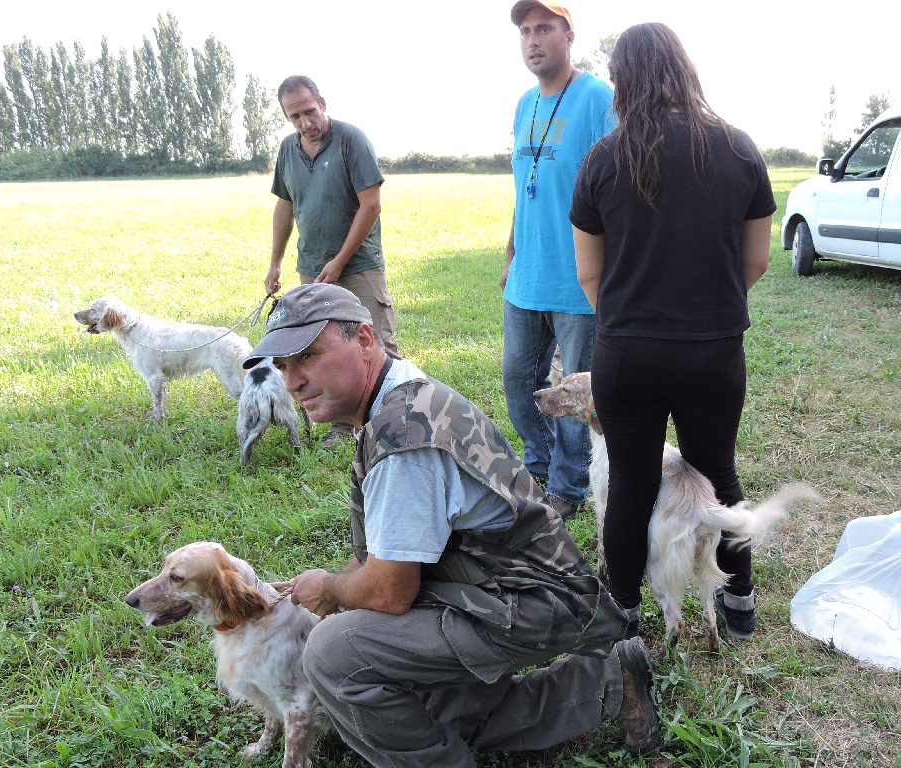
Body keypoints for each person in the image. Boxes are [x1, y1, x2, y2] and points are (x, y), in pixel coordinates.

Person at [242, 282, 662, 767]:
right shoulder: (399, 395)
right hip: (508, 588)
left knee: (334, 654)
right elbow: (378, 555)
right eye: (283, 366)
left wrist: (332, 590)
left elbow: (389, 592)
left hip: (530, 601)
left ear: (362, 339)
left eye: (308, 356)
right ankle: (609, 683)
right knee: (424, 706)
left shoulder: (404, 439)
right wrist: (333, 587)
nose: (292, 382)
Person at [568, 22, 776, 640]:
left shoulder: (602, 159)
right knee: (718, 470)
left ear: (622, 80)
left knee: (632, 481)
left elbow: (589, 274)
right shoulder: (739, 149)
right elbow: (757, 261)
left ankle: (625, 613)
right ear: (686, 69)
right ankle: (739, 603)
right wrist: (706, 308)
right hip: (713, 352)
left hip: (627, 353)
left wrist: (631, 319)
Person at [502, 1, 615, 520]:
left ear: (569, 35)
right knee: (518, 380)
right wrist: (511, 251)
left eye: (544, 28)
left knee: (575, 389)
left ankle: (567, 488)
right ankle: (540, 462)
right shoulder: (525, 103)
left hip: (580, 281)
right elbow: (526, 190)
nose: (532, 40)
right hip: (527, 276)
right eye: (525, 31)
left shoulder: (598, 99)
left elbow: (619, 186)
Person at [267, 75, 402, 450]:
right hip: (311, 267)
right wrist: (275, 263)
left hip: (359, 266)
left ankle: (395, 420)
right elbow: (284, 206)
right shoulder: (288, 151)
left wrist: (341, 260)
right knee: (320, 350)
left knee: (375, 342)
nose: (305, 122)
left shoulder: (351, 140)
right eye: (294, 116)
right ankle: (342, 425)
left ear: (322, 103)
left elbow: (371, 204)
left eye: (310, 111)